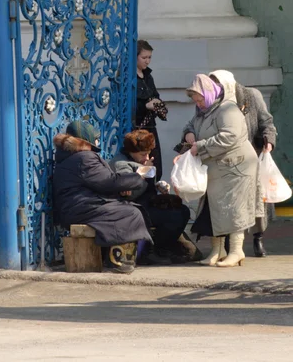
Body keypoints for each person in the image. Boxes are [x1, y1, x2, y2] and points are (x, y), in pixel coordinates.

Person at [52, 120, 152, 274]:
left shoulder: (74, 157)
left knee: (130, 209)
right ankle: (118, 261)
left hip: (78, 206)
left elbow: (98, 182)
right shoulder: (84, 157)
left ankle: (117, 257)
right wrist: (137, 177)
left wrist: (120, 189)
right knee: (130, 213)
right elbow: (108, 181)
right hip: (81, 208)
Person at [181, 74, 257, 267]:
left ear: (210, 93)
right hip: (216, 169)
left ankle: (236, 251)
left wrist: (201, 146)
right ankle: (218, 250)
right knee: (213, 211)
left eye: (200, 99)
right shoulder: (204, 111)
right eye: (195, 100)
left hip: (236, 168)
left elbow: (230, 136)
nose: (198, 103)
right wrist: (189, 133)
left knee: (233, 209)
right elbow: (192, 124)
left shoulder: (228, 109)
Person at [206, 70, 277, 258]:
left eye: (218, 86)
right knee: (229, 202)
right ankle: (231, 244)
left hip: (250, 155)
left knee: (255, 202)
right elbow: (197, 124)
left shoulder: (250, 96)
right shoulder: (211, 100)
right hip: (222, 160)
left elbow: (266, 122)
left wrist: (268, 141)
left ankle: (257, 237)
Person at [110, 130, 200, 264]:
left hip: (145, 206)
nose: (146, 158)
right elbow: (130, 194)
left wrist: (158, 185)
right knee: (176, 216)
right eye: (143, 154)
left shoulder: (137, 161)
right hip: (134, 209)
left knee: (181, 210)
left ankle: (162, 247)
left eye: (148, 153)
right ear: (131, 152)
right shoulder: (121, 164)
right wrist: (143, 173)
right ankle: (153, 249)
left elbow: (146, 187)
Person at [135, 40, 167, 181]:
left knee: (155, 164)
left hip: (150, 127)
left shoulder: (148, 76)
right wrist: (145, 106)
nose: (147, 61)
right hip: (136, 128)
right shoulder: (128, 77)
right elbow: (126, 104)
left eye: (149, 57)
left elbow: (156, 96)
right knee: (141, 164)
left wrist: (157, 104)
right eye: (144, 57)